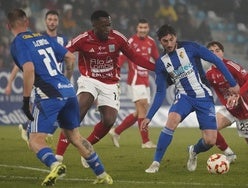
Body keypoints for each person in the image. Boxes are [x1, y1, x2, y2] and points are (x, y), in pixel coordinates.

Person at [7, 8, 113, 185]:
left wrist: (26, 100)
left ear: (8, 25)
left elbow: (29, 69)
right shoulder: (43, 38)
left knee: (34, 139)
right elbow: (70, 58)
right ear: (27, 23)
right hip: (68, 91)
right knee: (75, 137)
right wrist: (67, 80)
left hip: (49, 95)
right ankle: (103, 175)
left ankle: (55, 165)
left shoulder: (18, 43)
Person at [55, 10, 155, 166]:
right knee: (78, 111)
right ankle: (58, 157)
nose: (108, 29)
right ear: (94, 25)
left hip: (110, 84)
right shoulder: (83, 39)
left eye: (109, 25)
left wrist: (157, 68)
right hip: (89, 80)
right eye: (104, 26)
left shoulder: (118, 38)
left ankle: (86, 147)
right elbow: (65, 51)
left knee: (109, 120)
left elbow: (134, 57)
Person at [142, 24, 240, 173]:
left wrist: (233, 83)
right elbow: (161, 92)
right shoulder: (162, 63)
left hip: (204, 97)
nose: (169, 44)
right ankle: (155, 163)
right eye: (165, 41)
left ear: (176, 37)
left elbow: (217, 60)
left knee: (210, 141)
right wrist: (149, 116)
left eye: (171, 39)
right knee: (172, 119)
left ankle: (194, 150)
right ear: (160, 41)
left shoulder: (191, 47)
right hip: (184, 97)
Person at [5, 10, 68, 145]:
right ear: (45, 21)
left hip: (58, 82)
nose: (52, 22)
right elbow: (21, 65)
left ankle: (31, 131)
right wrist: (10, 83)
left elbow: (68, 57)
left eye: (55, 20)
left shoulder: (63, 40)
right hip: (42, 82)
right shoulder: (37, 37)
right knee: (47, 112)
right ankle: (34, 136)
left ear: (58, 22)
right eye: (50, 19)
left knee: (58, 111)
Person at [206, 41, 248, 163]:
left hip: (244, 110)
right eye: (211, 52)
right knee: (210, 127)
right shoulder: (209, 73)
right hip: (229, 109)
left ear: (222, 52)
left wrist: (237, 94)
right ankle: (229, 154)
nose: (214, 53)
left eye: (217, 50)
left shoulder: (231, 66)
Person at [108, 18, 159, 149]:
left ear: (148, 29)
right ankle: (146, 141)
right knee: (142, 108)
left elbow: (157, 59)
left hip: (146, 81)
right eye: (140, 28)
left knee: (139, 112)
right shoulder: (130, 41)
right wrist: (114, 73)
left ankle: (116, 131)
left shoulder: (151, 42)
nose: (142, 30)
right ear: (137, 28)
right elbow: (121, 59)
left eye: (145, 28)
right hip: (135, 80)